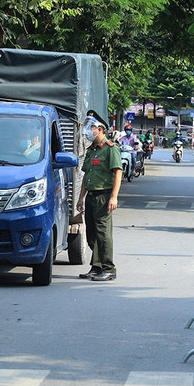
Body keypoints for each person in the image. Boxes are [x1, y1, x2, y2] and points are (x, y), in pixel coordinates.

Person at [77, 116, 122, 281]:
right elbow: (86, 175)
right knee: (91, 234)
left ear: (100, 130)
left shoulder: (110, 149)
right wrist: (80, 197)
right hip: (90, 196)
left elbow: (118, 172)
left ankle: (109, 268)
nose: (89, 132)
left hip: (104, 196)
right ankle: (96, 267)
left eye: (91, 128)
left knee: (103, 234)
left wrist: (114, 197)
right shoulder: (91, 150)